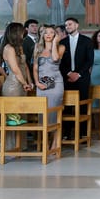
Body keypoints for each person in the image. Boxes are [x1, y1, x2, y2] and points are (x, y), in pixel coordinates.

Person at [0, 22, 34, 152]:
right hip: (13, 85)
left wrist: (30, 82)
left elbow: (25, 66)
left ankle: (21, 145)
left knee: (22, 114)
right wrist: (24, 83)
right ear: (15, 33)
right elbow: (15, 69)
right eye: (22, 31)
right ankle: (11, 146)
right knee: (13, 116)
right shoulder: (9, 48)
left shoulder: (19, 47)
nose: (24, 34)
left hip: (23, 83)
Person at [60, 17, 94, 140]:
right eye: (66, 25)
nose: (67, 27)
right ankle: (67, 133)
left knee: (82, 105)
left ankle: (82, 133)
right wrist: (69, 73)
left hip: (82, 78)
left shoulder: (87, 41)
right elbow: (60, 62)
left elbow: (89, 60)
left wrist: (78, 74)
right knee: (67, 106)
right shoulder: (62, 42)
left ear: (77, 25)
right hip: (67, 78)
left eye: (70, 24)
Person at [32, 25, 64, 154]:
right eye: (46, 33)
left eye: (52, 33)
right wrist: (37, 83)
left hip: (56, 84)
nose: (49, 35)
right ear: (42, 35)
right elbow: (35, 68)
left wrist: (55, 43)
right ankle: (45, 143)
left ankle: (55, 143)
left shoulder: (61, 47)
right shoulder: (37, 48)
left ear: (55, 35)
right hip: (41, 85)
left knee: (54, 113)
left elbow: (55, 58)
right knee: (43, 114)